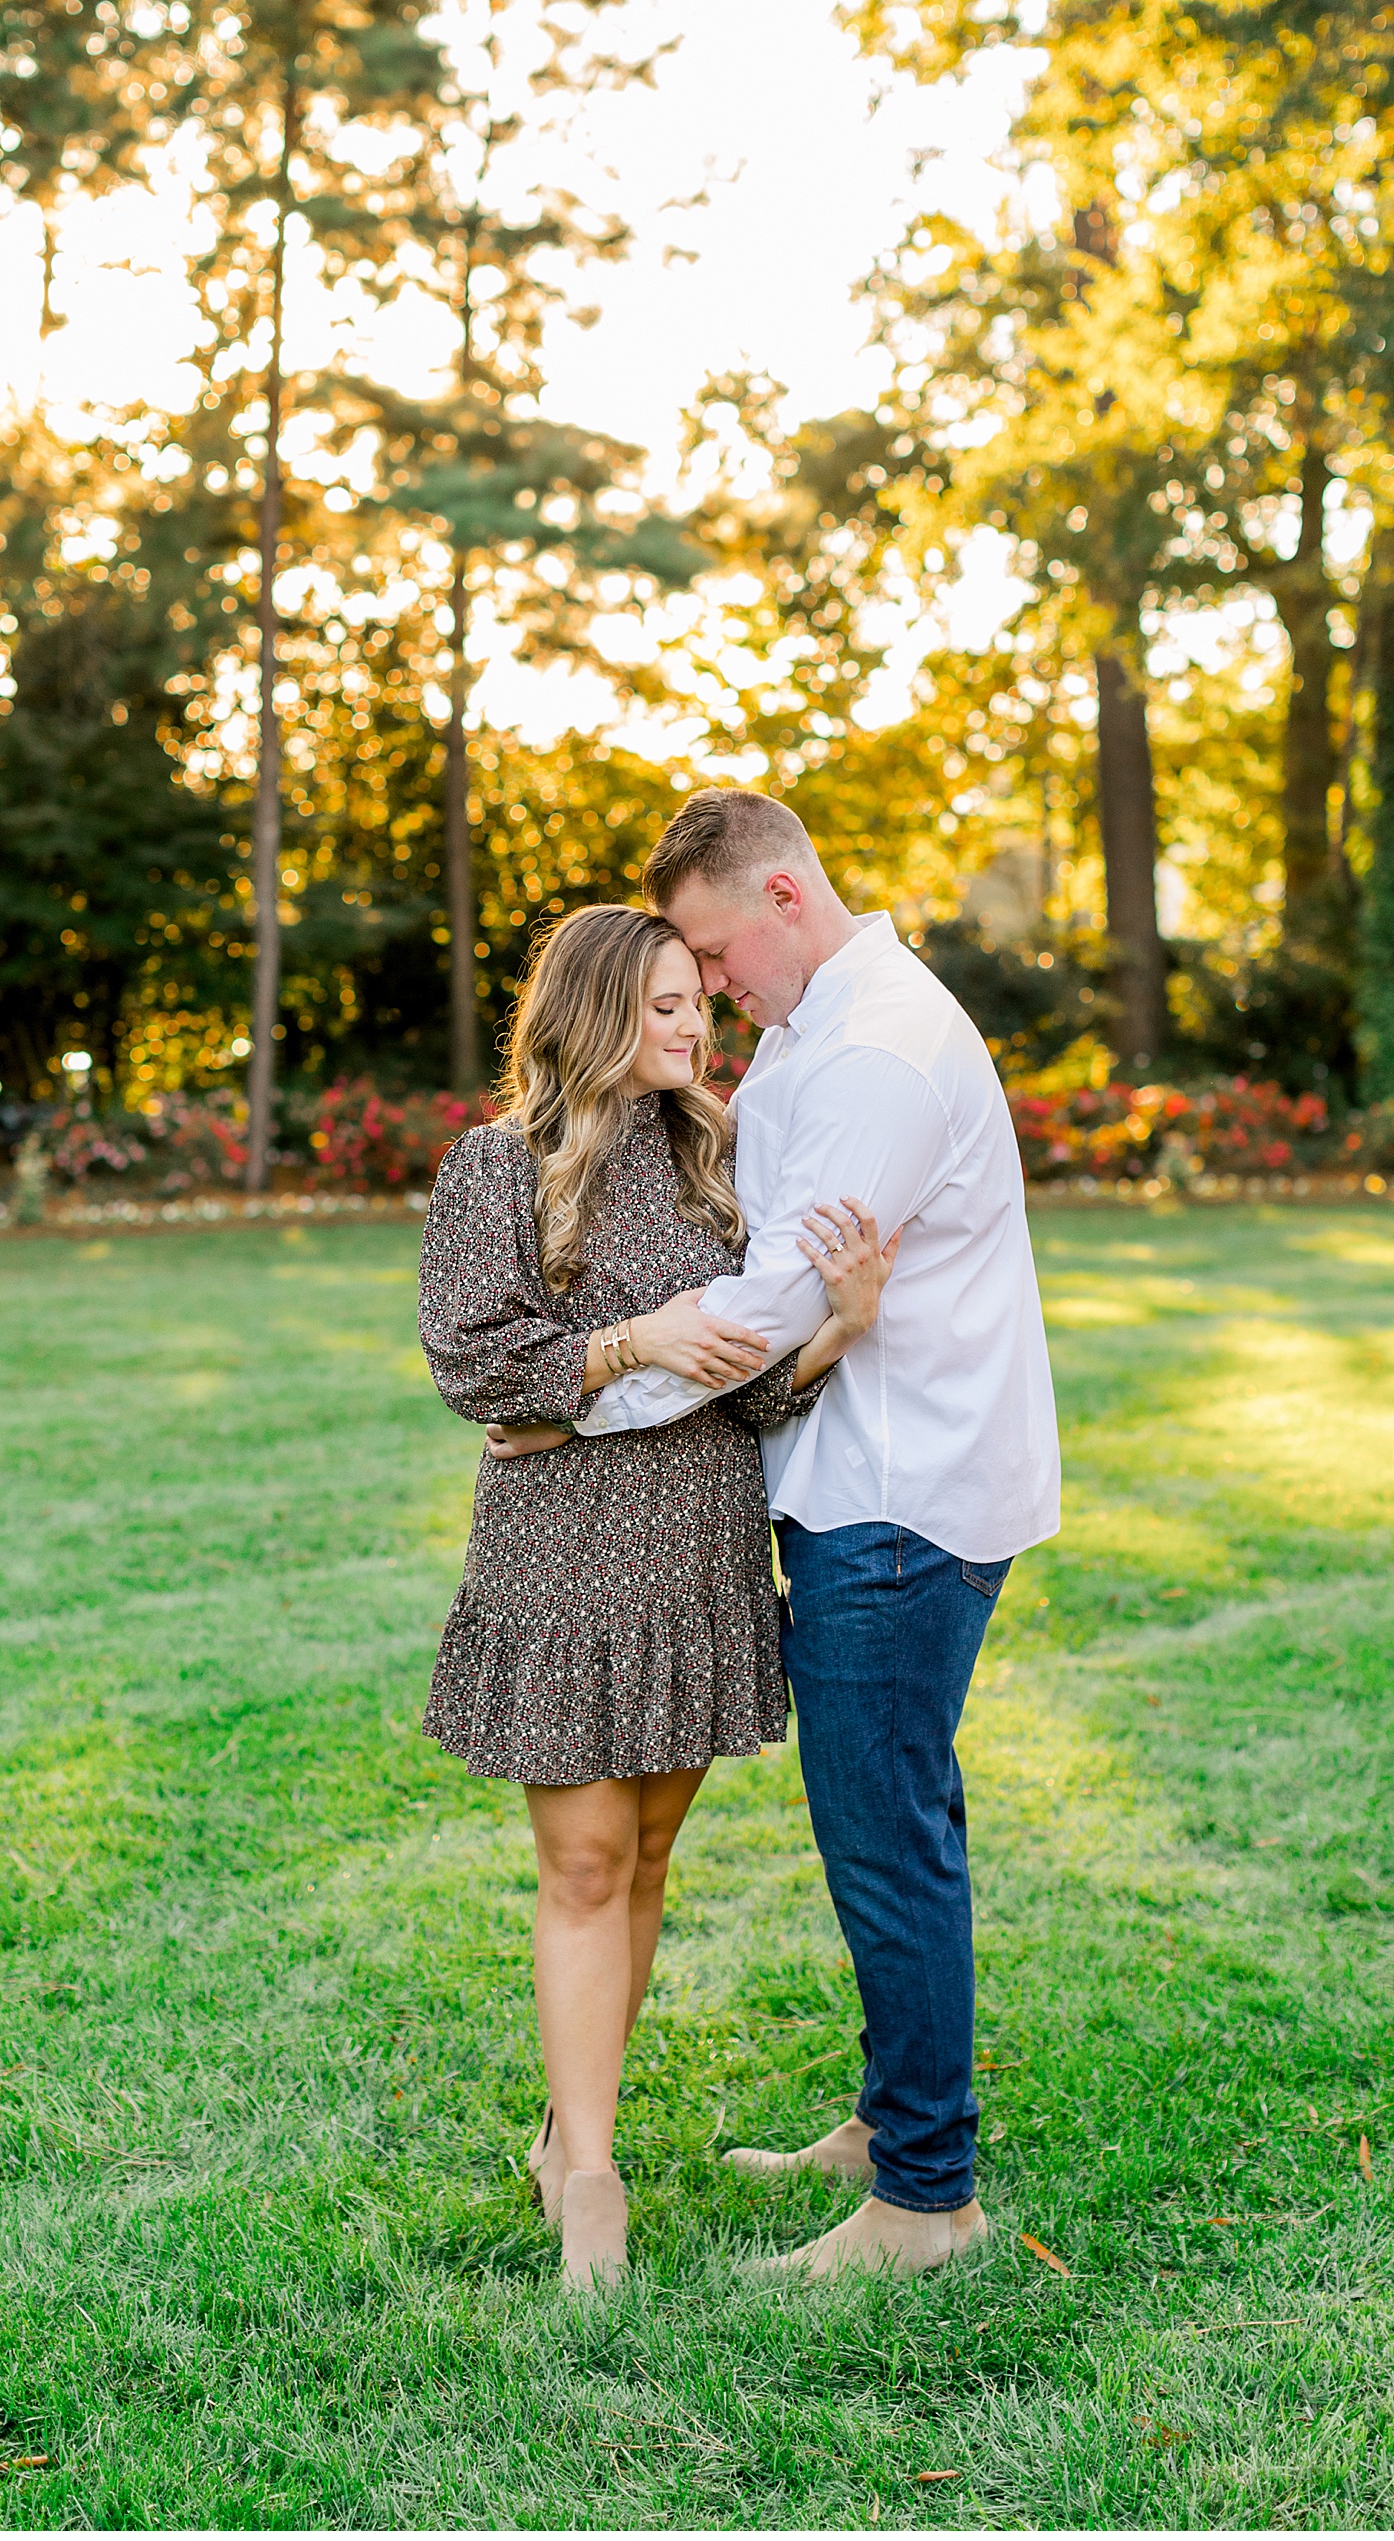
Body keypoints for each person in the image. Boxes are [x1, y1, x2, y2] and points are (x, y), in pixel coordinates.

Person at [490, 791, 1060, 2281]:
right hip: (859, 1476)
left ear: (788, 894)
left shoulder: (872, 1047)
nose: (710, 985)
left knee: (888, 1843)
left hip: (899, 1498)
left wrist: (575, 1399)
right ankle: (894, 2122)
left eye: (714, 949)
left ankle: (925, 2200)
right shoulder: (819, 1027)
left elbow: (760, 1316)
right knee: (889, 1824)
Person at [415, 903, 896, 2291]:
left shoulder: (722, 1166)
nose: (696, 1026)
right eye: (669, 1003)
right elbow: (478, 1367)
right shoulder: (493, 1169)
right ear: (594, 1006)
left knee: (647, 1856)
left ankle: (575, 2131)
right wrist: (632, 1342)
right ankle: (594, 2186)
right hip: (560, 1558)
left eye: (702, 1002)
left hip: (695, 1548)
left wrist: (839, 1329)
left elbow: (743, 1388)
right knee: (581, 1862)